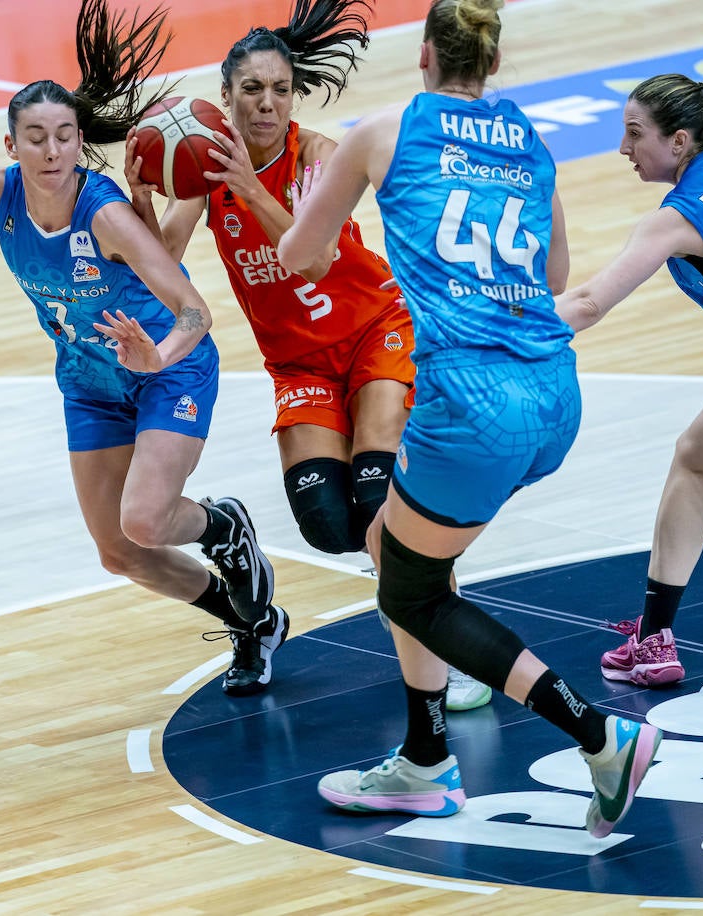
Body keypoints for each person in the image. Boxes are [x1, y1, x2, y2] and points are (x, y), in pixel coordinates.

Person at [276, 0, 660, 835]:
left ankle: (599, 736)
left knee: (410, 590)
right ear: (489, 63)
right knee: (394, 547)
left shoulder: (383, 133)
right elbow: (555, 271)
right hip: (554, 391)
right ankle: (423, 757)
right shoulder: (530, 141)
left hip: (472, 404)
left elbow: (297, 256)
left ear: (422, 56)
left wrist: (320, 194)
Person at [0, 0, 288, 696]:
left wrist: (158, 356)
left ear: (78, 141)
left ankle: (224, 527)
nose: (51, 152)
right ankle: (250, 621)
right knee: (121, 554)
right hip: (88, 381)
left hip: (166, 371)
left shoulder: (104, 212)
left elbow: (195, 313)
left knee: (145, 519)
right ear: (11, 146)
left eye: (63, 137)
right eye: (35, 137)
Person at [123, 0, 490, 711]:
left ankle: (450, 642)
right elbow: (160, 262)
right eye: (252, 89)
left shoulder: (318, 155)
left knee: (383, 499)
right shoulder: (207, 166)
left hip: (375, 331)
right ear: (225, 95)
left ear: (294, 95)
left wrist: (248, 187)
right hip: (300, 365)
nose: (266, 103)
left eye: (280, 89)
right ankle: (415, 582)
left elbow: (315, 257)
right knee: (330, 523)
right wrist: (144, 207)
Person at [556, 74, 703, 687]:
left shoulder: (677, 218)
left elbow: (587, 305)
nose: (623, 149)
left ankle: (654, 641)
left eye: (635, 134)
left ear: (679, 141)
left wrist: (487, 333)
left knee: (694, 461)